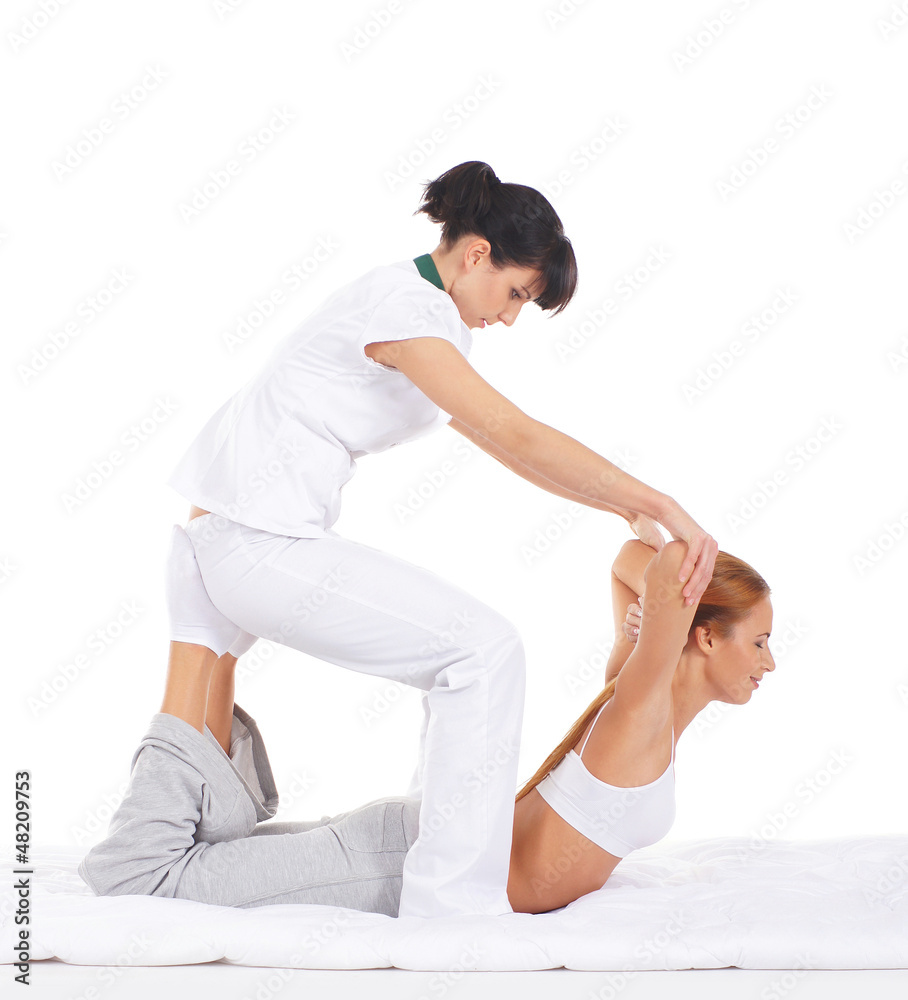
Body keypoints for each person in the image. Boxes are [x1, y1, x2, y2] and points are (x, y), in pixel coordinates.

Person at [155, 159, 719, 919]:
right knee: (482, 652)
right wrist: (656, 500)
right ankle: (452, 911)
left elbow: (506, 446)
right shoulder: (404, 306)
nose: (512, 316)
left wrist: (620, 512)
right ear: (476, 252)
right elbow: (513, 428)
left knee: (474, 653)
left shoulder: (421, 313)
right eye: (517, 292)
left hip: (228, 539)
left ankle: (179, 863)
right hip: (255, 544)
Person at [78, 536, 771, 916]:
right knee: (139, 880)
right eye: (761, 640)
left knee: (208, 860)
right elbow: (657, 559)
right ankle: (197, 645)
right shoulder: (642, 702)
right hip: (399, 863)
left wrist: (646, 621)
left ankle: (218, 659)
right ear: (705, 638)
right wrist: (657, 616)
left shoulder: (638, 695)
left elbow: (633, 563)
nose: (770, 662)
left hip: (420, 841)